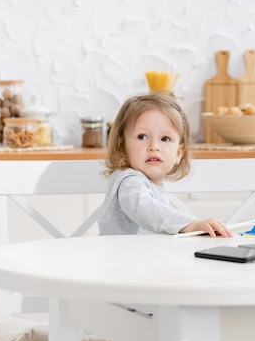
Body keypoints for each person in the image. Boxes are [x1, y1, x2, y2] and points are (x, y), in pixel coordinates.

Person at [97, 92, 232, 237]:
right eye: (142, 137)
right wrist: (191, 225)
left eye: (165, 139)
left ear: (178, 153)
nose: (154, 146)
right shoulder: (129, 181)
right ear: (123, 146)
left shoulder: (152, 184)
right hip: (122, 258)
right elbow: (143, 207)